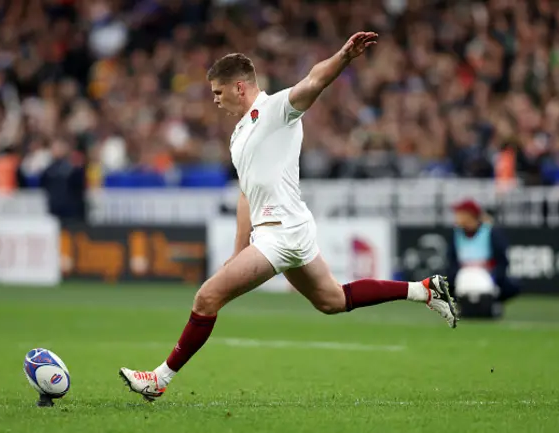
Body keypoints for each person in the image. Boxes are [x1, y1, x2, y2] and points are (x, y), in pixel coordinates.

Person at [119, 32, 458, 401]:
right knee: (332, 301)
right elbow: (247, 194)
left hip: (282, 232)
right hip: (283, 230)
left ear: (239, 86)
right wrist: (237, 251)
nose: (214, 100)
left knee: (206, 298)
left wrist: (344, 56)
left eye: (218, 92)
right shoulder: (238, 135)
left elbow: (314, 80)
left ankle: (159, 379)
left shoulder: (277, 110)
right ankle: (424, 290)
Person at [447, 199, 520, 314]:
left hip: (489, 276)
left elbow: (502, 261)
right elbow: (452, 262)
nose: (456, 217)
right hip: (463, 277)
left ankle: (494, 303)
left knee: (513, 285)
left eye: (459, 213)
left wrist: (493, 278)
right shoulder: (456, 234)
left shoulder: (491, 233)